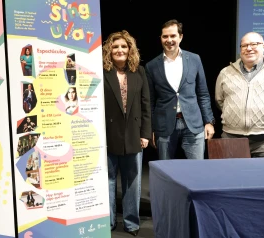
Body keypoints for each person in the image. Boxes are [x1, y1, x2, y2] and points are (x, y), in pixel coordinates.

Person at [103, 30, 151, 237]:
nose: (119, 50)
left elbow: (146, 104)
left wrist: (145, 134)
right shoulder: (101, 72)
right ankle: (110, 221)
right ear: (109, 51)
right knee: (109, 179)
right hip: (108, 135)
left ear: (130, 49)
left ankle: (131, 222)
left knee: (132, 181)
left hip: (133, 134)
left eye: (124, 46)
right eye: (115, 47)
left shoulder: (139, 71)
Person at [145, 19, 215, 160]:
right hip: (164, 126)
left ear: (180, 37)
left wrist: (208, 121)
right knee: (166, 171)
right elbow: (150, 101)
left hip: (193, 124)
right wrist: (151, 128)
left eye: (173, 36)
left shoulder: (195, 59)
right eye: (165, 36)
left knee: (197, 171)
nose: (169, 40)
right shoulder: (151, 66)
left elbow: (203, 94)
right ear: (160, 38)